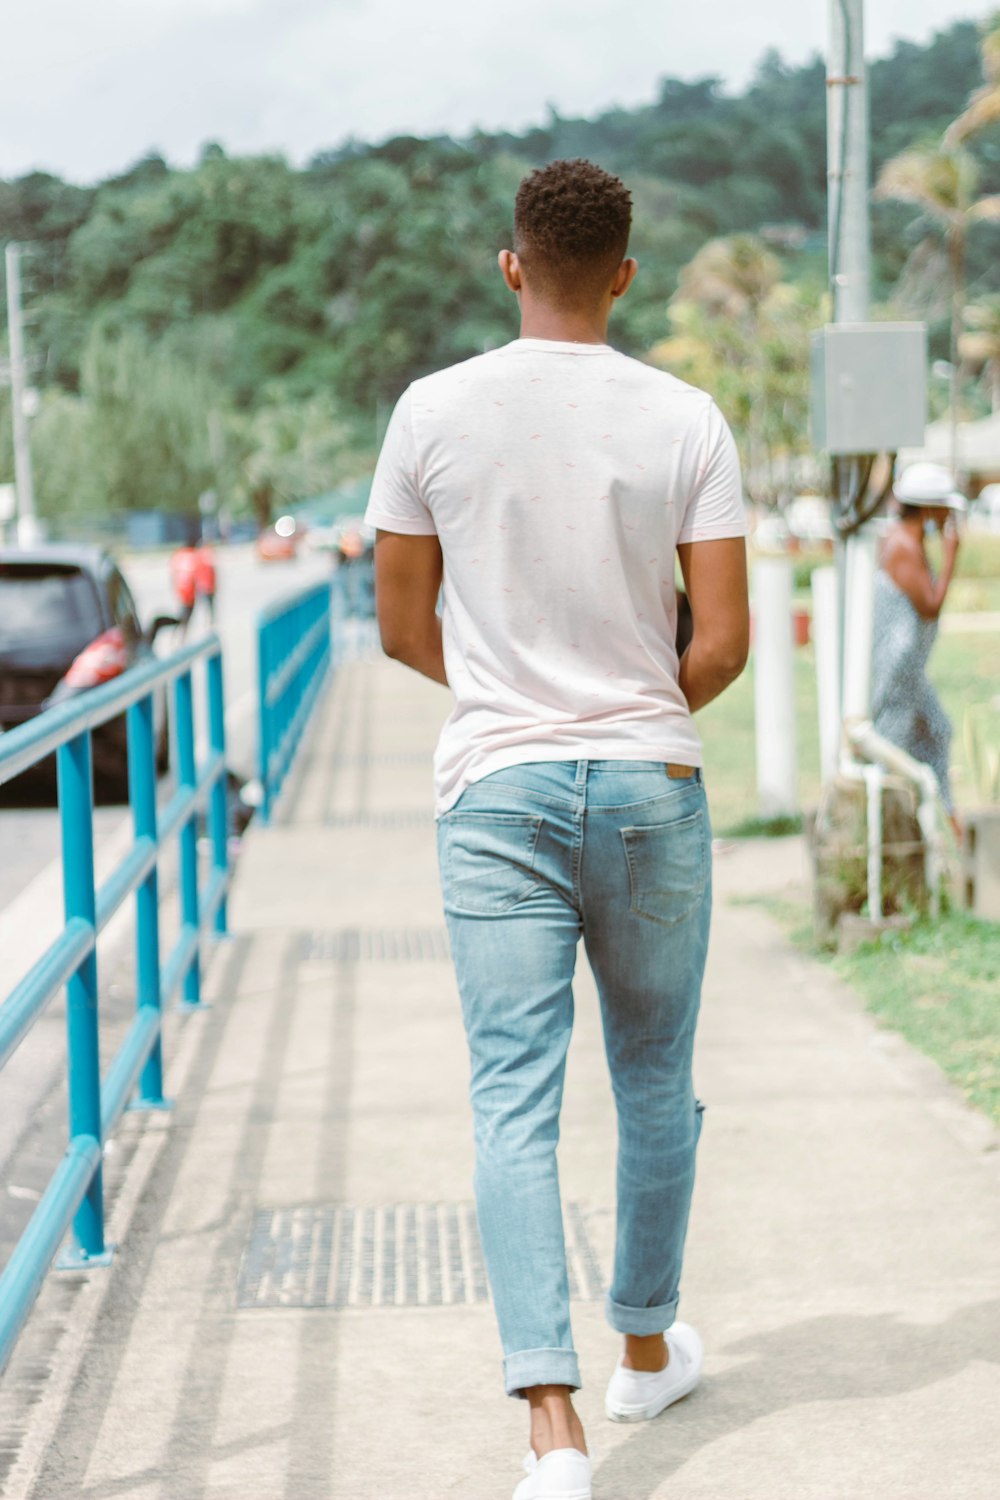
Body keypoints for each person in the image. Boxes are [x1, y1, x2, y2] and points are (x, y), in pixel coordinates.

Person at [365, 159, 749, 1500]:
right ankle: (646, 1350)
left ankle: (553, 1431)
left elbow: (401, 624)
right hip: (652, 783)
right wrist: (632, 704)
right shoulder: (688, 417)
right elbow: (727, 643)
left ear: (512, 265)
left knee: (512, 1108)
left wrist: (511, 701)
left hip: (499, 794)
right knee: (655, 1082)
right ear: (627, 275)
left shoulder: (432, 410)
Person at [873, 461, 966, 836]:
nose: (948, 517)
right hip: (897, 675)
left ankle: (944, 815)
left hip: (911, 672)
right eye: (944, 508)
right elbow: (930, 606)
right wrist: (951, 557)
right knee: (888, 755)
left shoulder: (910, 542)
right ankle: (882, 838)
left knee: (938, 732)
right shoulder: (903, 545)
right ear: (928, 509)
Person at [169, 537, 198, 634]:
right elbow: (196, 574)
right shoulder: (193, 556)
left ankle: (178, 632)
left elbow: (173, 573)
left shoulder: (178, 555)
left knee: (182, 613)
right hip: (190, 591)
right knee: (187, 615)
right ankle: (181, 634)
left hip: (181, 590)